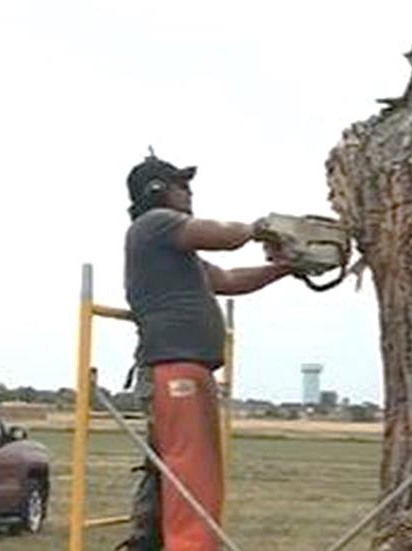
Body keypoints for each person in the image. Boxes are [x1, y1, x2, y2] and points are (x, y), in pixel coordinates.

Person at [120, 151, 291, 551]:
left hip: (185, 367)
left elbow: (229, 279)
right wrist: (258, 228)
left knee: (175, 469)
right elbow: (224, 237)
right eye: (182, 184)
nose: (190, 191)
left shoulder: (177, 251)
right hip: (173, 368)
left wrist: (283, 268)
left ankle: (150, 542)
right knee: (190, 474)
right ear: (158, 191)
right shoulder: (155, 225)